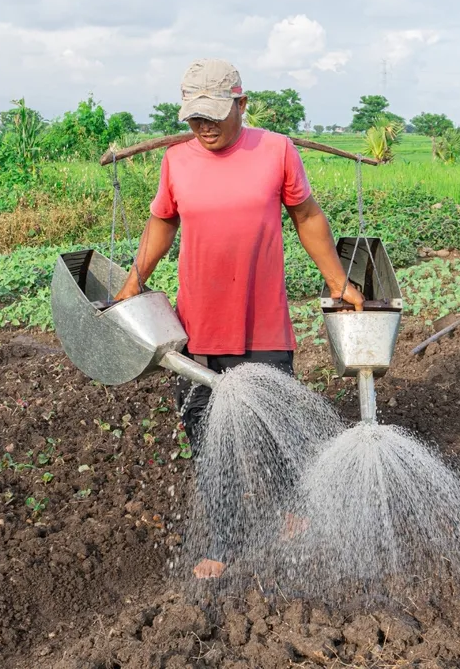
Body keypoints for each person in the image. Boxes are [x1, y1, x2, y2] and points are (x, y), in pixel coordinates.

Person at [113, 58, 363, 579]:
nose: (203, 127)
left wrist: (339, 283)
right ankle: (225, 543)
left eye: (213, 115)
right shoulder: (177, 162)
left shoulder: (275, 150)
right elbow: (161, 222)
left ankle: (294, 516)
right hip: (197, 333)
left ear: (241, 105)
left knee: (275, 430)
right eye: (193, 118)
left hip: (263, 324)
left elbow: (308, 217)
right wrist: (133, 283)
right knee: (209, 443)